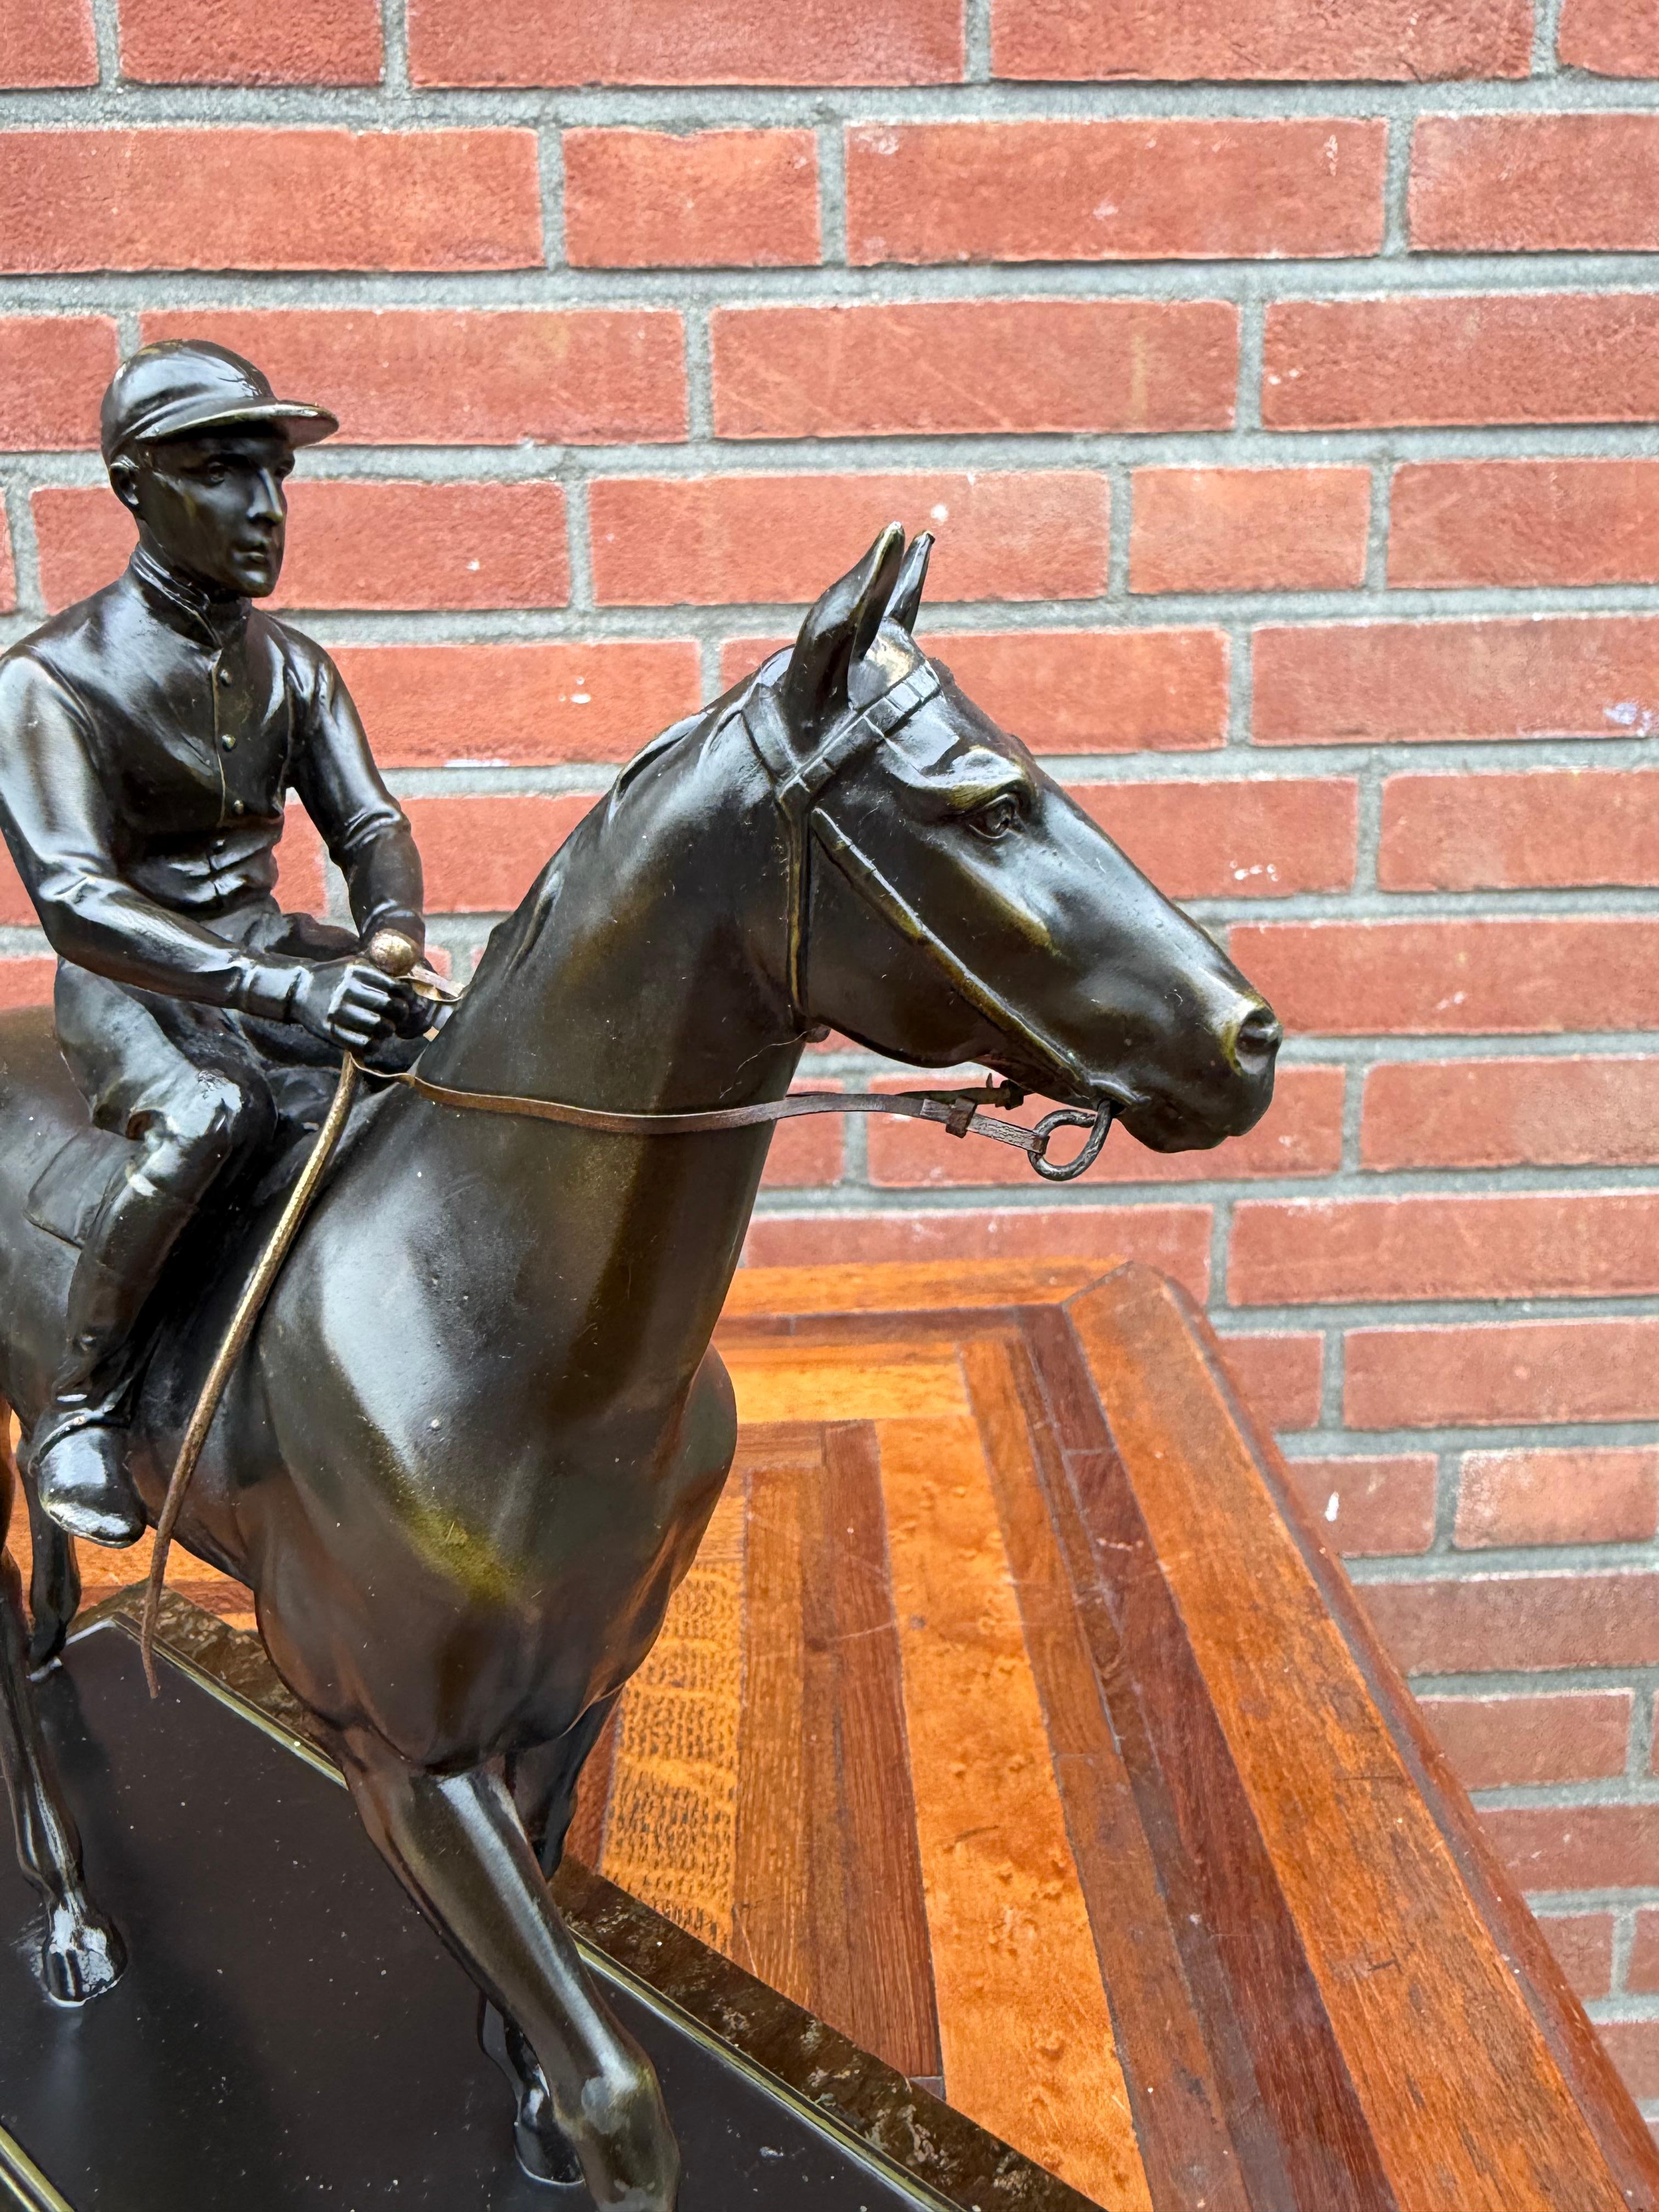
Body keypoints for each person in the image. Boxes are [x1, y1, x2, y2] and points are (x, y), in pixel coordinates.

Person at [0, 339, 428, 1549]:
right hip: (132, 979)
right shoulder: (47, 682)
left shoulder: (292, 666)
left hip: (272, 947)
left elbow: (371, 823)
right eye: (224, 473)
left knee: (455, 1055)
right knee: (207, 1121)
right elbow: (78, 901)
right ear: (135, 489)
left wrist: (390, 939)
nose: (267, 508)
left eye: (277, 474)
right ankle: (80, 1409)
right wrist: (287, 990)